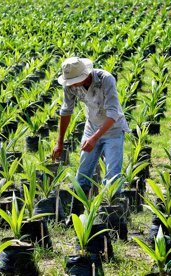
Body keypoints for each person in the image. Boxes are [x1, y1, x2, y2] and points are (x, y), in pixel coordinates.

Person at [52, 57, 129, 214]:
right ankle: (76, 216)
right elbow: (66, 110)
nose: (72, 84)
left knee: (112, 177)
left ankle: (111, 220)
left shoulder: (105, 79)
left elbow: (114, 113)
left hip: (113, 130)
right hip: (91, 127)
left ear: (85, 75)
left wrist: (95, 138)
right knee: (83, 174)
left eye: (75, 80)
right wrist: (59, 142)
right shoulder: (70, 85)